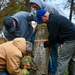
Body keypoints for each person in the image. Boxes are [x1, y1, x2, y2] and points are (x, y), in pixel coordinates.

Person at [29, 0, 65, 75]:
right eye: (33, 7)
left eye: (35, 6)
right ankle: (47, 70)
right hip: (44, 33)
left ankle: (55, 72)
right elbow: (39, 21)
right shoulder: (38, 11)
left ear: (38, 2)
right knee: (43, 50)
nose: (35, 8)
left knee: (54, 52)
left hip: (55, 33)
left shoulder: (51, 7)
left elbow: (62, 17)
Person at [36, 9, 75, 75]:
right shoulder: (55, 17)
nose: (43, 22)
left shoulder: (52, 21)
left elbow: (53, 36)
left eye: (42, 20)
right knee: (70, 59)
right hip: (72, 38)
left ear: (45, 16)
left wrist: (47, 44)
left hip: (70, 40)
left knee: (62, 60)